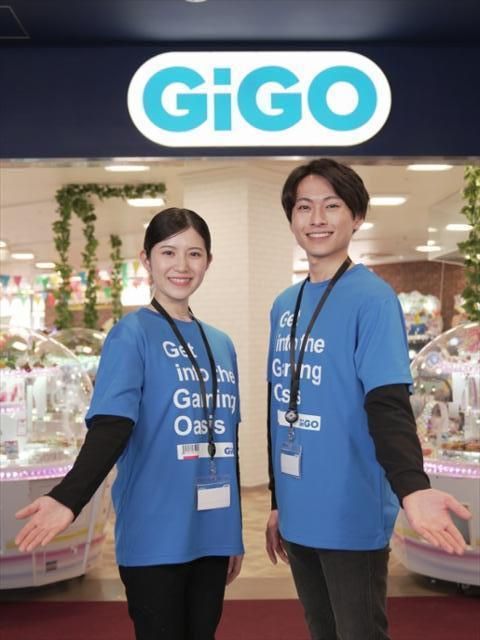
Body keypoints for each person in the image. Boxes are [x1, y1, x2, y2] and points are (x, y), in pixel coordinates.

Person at [264, 159, 471, 640]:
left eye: (332, 206)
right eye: (304, 207)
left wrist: (412, 487)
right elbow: (280, 407)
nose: (317, 218)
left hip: (349, 507)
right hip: (297, 507)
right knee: (321, 630)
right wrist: (277, 499)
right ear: (291, 217)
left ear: (356, 217)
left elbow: (387, 403)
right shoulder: (284, 304)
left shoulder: (373, 299)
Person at [15, 207, 244, 640]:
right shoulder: (131, 334)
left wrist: (232, 533)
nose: (181, 265)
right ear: (146, 260)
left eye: (194, 253)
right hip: (155, 530)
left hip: (213, 530)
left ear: (208, 262)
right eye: (168, 252)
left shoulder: (221, 343)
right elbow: (111, 427)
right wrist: (69, 497)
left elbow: (226, 435)